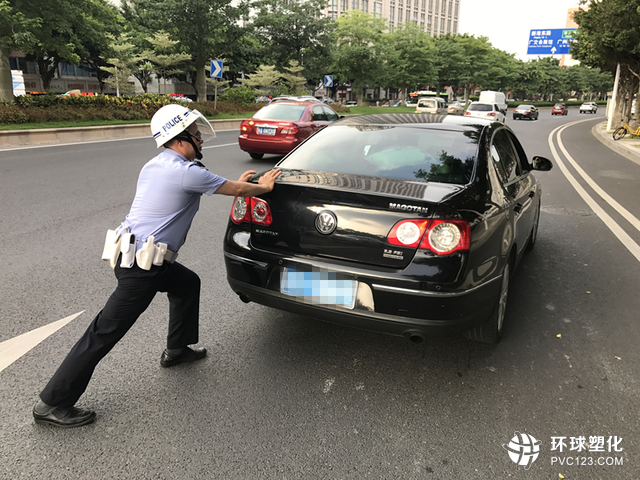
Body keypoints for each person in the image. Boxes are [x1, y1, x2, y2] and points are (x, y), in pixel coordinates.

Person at [33, 104, 281, 428]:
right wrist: (263, 187)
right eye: (196, 136)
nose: (201, 141)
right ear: (179, 139)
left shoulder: (156, 165)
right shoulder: (186, 171)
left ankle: (177, 350)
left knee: (187, 284)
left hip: (137, 255)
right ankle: (53, 402)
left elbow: (218, 183)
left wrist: (238, 181)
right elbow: (232, 190)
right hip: (142, 267)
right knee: (103, 332)